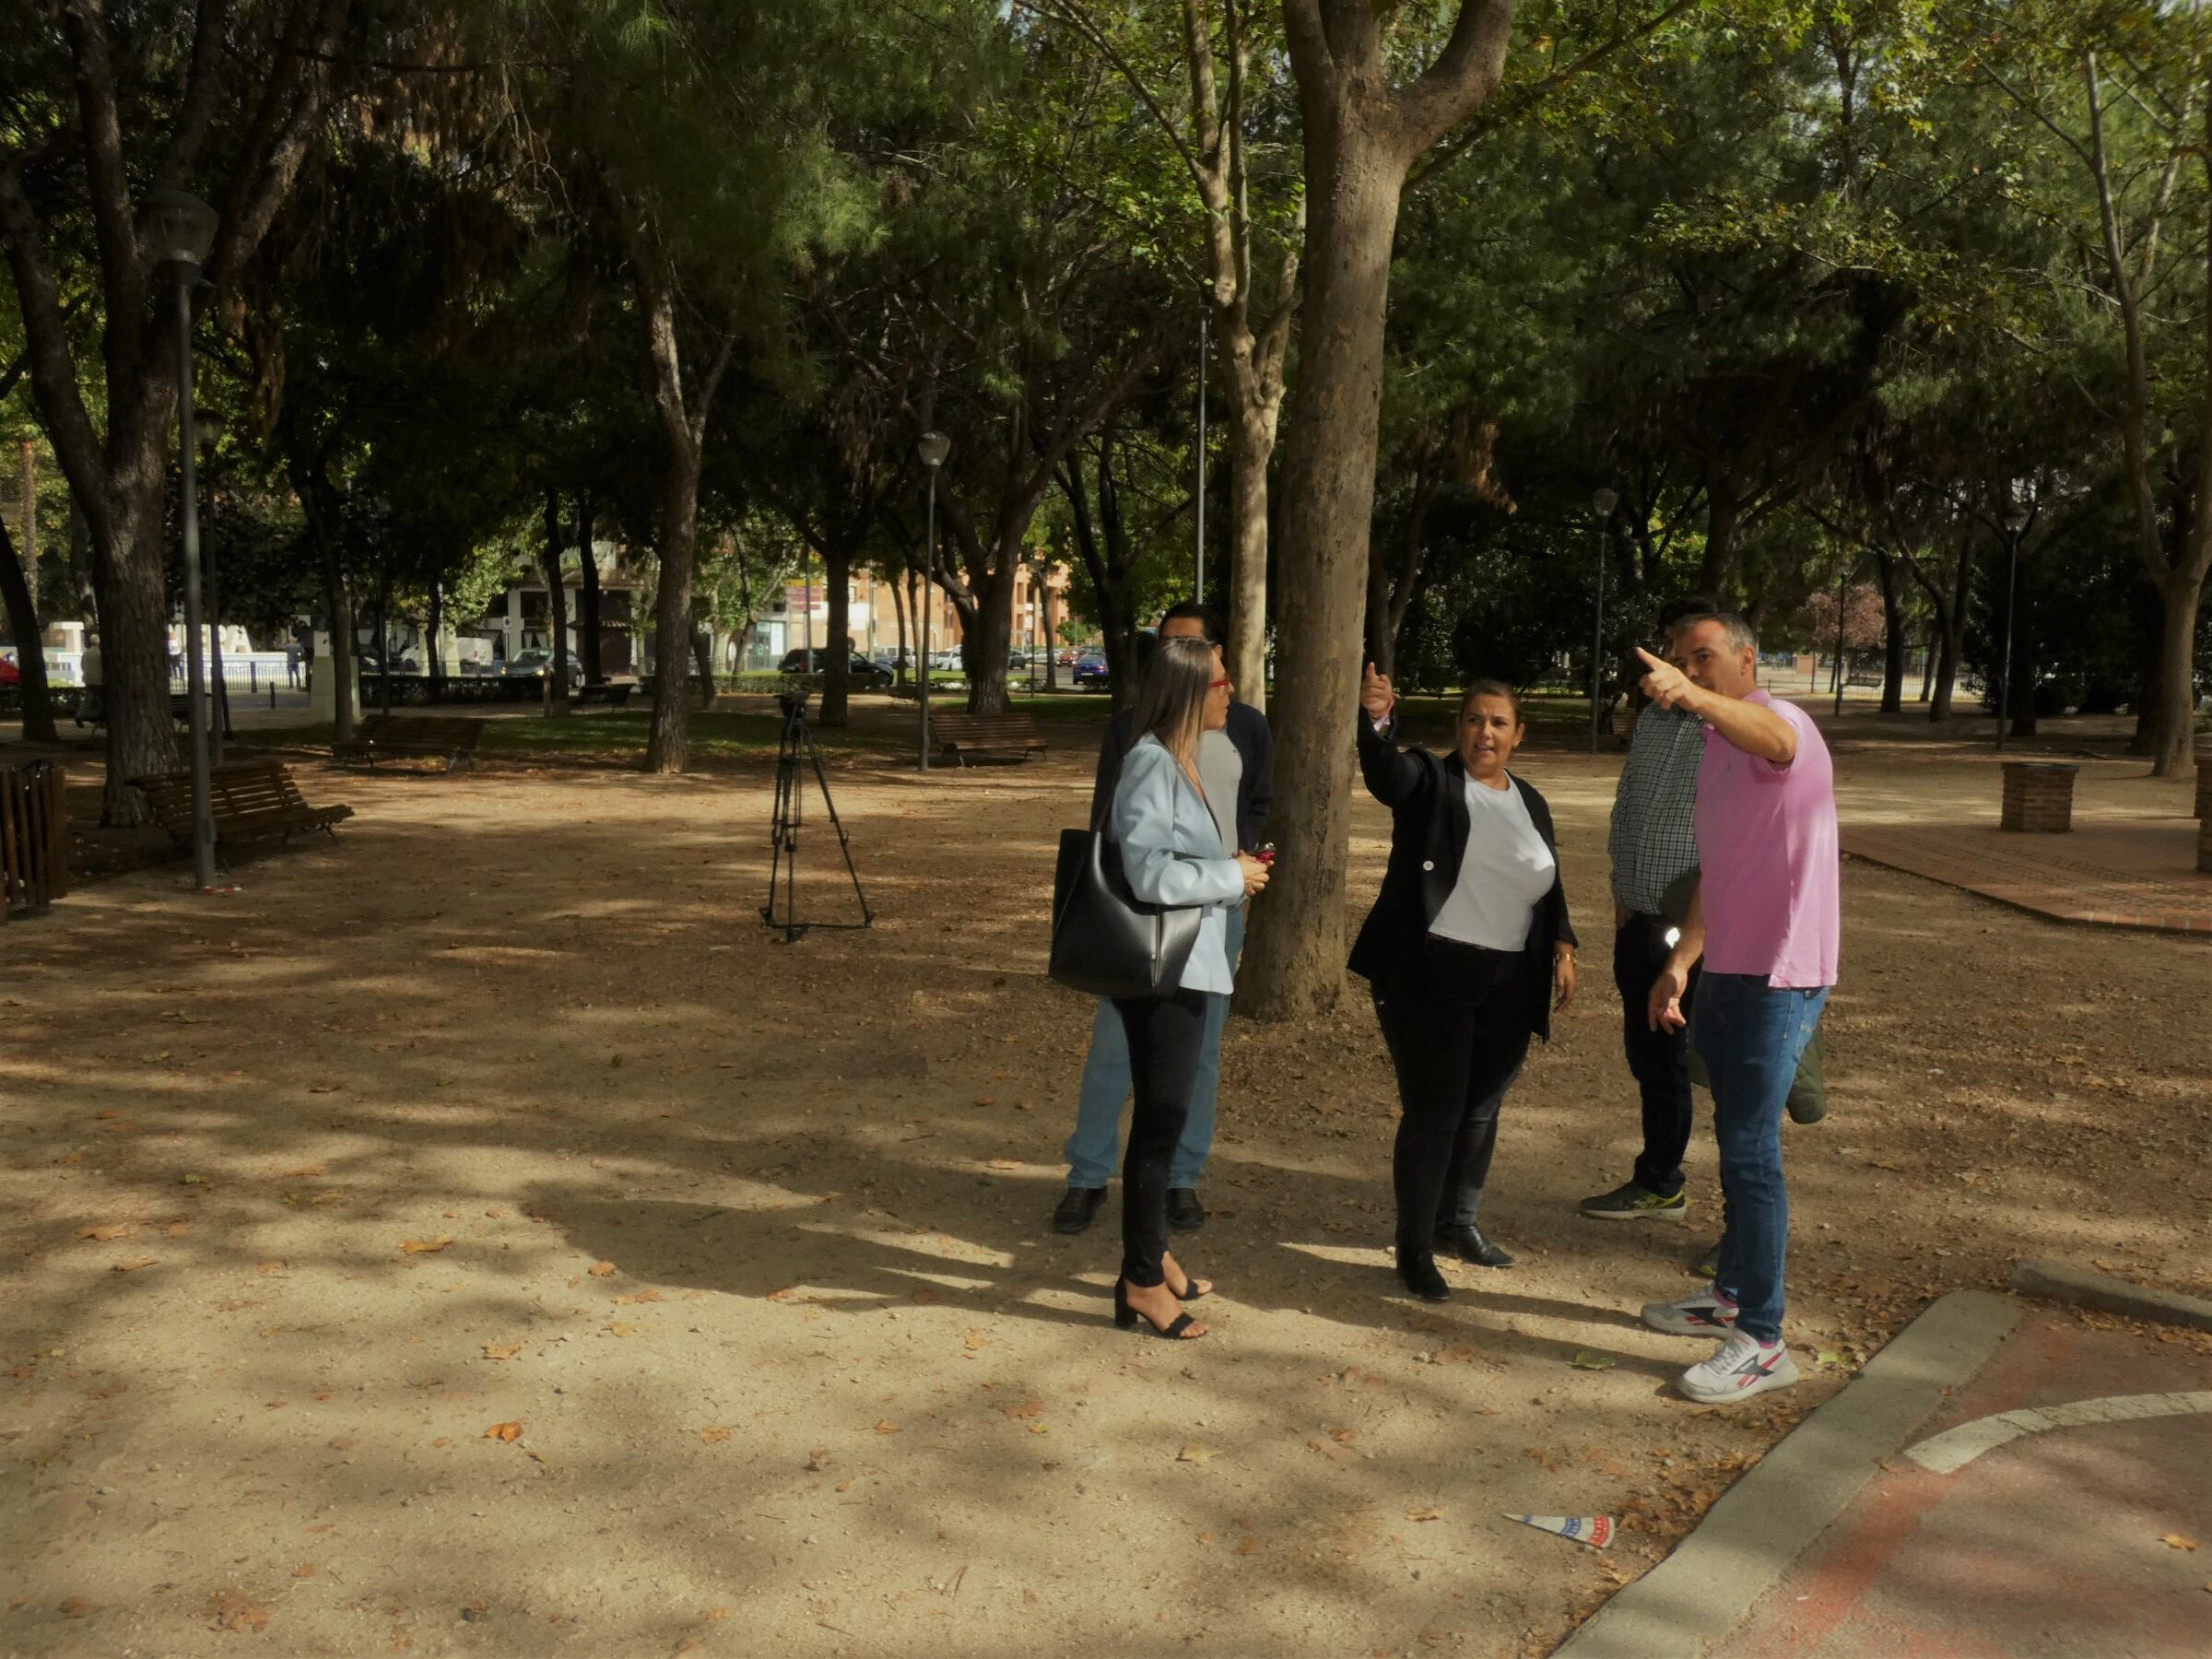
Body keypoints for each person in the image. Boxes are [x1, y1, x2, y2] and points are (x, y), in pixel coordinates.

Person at [1635, 611, 1838, 1403]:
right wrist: (1681, 964)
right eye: (1685, 661)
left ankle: (1762, 1338)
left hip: (1781, 976)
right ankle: (1728, 1297)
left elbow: (1778, 741)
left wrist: (1690, 692)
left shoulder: (1780, 722)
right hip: (1730, 970)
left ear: (1748, 658)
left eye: (1707, 657)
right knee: (1736, 1138)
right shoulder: (1717, 749)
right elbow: (1724, 876)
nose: (1694, 670)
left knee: (1752, 1151)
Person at [1351, 665, 1577, 1302]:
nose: (1485, 732)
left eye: (1499, 723)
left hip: (1510, 976)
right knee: (1436, 1114)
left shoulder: (1529, 799)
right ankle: (1415, 1248)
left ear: (1518, 735)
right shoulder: (1429, 779)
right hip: (1431, 973)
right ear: (1459, 727)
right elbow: (1386, 776)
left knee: (1481, 1110)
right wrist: (1375, 723)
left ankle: (1459, 1225)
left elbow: (1547, 875)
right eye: (1475, 720)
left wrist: (1562, 940)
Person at [1052, 602, 1274, 1237]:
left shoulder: (1247, 726)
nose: (1175, 657)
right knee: (1114, 1049)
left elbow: (1258, 800)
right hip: (1147, 919)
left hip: (1217, 909)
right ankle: (1088, 1176)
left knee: (1196, 1056)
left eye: (1194, 648)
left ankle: (1182, 1179)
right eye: (1167, 647)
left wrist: (1242, 860)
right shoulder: (1137, 737)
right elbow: (1115, 831)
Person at [1102, 635, 1270, 1338]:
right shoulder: (1150, 764)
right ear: (1190, 691)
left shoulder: (1183, 761)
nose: (1232, 693)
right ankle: (1141, 1282)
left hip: (1190, 963)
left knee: (1165, 1121)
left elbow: (1179, 858)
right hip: (1162, 971)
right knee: (1160, 1124)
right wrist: (1232, 877)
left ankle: (1153, 1254)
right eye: (1222, 683)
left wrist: (1230, 863)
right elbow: (1148, 876)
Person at [1580, 597, 1714, 1230]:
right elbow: (1627, 808)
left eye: (1697, 657)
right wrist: (1620, 898)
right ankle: (1662, 1181)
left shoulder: (1733, 726)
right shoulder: (1656, 721)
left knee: (1726, 1077)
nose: (1680, 667)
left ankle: (1740, 1233)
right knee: (1652, 1059)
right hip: (1639, 916)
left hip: (1697, 927)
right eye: (1674, 653)